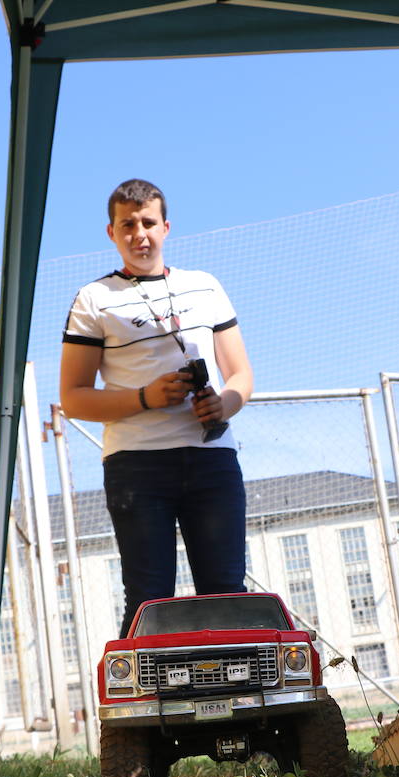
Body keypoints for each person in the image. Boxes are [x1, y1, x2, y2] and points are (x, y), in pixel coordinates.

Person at [60, 179, 254, 637]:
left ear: (166, 227)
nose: (139, 233)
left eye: (148, 222)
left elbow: (242, 376)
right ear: (111, 232)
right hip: (137, 466)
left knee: (227, 592)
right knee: (149, 599)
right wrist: (146, 397)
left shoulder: (204, 287)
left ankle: (244, 706)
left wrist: (221, 405)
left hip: (212, 460)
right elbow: (73, 397)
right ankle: (145, 705)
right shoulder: (94, 299)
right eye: (127, 224)